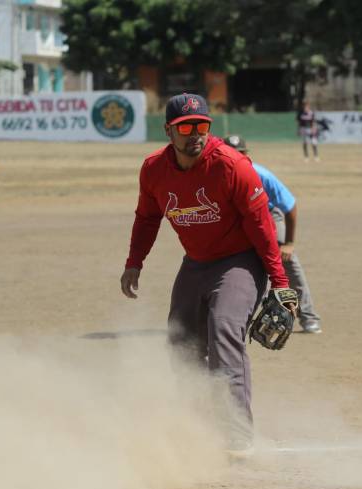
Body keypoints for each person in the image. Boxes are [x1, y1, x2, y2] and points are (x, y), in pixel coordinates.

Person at [119, 93, 296, 456]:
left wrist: (280, 282)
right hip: (196, 262)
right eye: (185, 128)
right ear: (169, 131)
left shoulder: (231, 166)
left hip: (240, 260)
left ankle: (237, 433)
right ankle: (197, 426)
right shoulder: (154, 169)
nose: (195, 134)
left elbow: (261, 225)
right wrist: (135, 261)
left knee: (224, 329)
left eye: (201, 126)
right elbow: (147, 217)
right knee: (181, 341)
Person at [223, 135, 323, 334]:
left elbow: (290, 207)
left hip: (269, 212)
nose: (235, 157)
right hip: (238, 217)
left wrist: (289, 243)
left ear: (246, 154)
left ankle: (309, 317)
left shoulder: (261, 174)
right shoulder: (217, 175)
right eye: (230, 153)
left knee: (287, 260)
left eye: (239, 153)